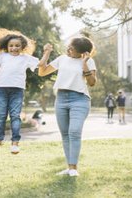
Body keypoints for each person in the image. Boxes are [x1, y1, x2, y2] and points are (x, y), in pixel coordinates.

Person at [38, 36, 97, 177]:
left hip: (80, 99)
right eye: (69, 46)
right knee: (65, 135)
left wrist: (84, 65)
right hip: (61, 99)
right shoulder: (62, 59)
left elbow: (92, 83)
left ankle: (73, 169)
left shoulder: (89, 61)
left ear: (83, 52)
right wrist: (46, 53)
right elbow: (42, 72)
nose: (68, 50)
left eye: (72, 49)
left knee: (74, 132)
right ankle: (70, 167)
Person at [0, 28, 39, 154]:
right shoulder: (2, 56)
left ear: (22, 46)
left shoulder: (25, 58)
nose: (14, 48)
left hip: (17, 90)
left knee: (15, 116)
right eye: (11, 46)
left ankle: (15, 143)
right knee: (1, 116)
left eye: (17, 46)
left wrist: (47, 52)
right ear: (7, 46)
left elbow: (40, 63)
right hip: (1, 89)